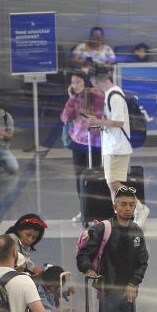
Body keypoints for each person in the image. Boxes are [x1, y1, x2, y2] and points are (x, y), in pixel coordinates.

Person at [76, 187, 148, 312]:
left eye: (131, 204)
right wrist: (89, 269)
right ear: (115, 207)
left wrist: (133, 283)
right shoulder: (103, 228)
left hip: (129, 292)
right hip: (108, 290)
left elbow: (142, 262)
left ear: (135, 207)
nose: (127, 208)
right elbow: (83, 255)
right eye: (123, 204)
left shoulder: (137, 231)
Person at [61, 72, 104, 222]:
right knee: (79, 177)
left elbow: (104, 114)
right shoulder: (75, 99)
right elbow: (65, 118)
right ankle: (83, 210)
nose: (75, 85)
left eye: (79, 82)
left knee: (93, 176)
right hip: (78, 143)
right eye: (73, 82)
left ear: (85, 83)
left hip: (95, 143)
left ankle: (96, 210)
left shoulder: (98, 97)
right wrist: (71, 99)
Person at [87, 66, 132, 196]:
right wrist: (102, 124)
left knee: (113, 184)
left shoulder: (115, 96)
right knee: (112, 186)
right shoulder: (110, 94)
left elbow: (119, 122)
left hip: (117, 147)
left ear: (95, 80)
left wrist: (98, 121)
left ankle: (139, 208)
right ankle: (120, 216)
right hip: (112, 146)